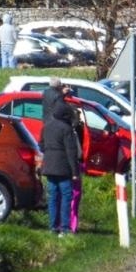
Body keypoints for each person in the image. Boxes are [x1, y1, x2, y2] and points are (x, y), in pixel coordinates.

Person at [39, 79, 82, 235]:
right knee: (66, 197)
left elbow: (41, 145)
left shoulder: (46, 127)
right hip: (63, 168)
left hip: (49, 166)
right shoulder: (66, 129)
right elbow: (71, 151)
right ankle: (64, 227)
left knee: (52, 197)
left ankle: (52, 227)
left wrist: (49, 153)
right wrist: (75, 172)